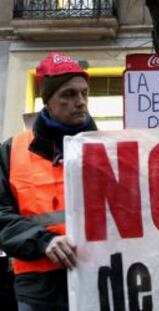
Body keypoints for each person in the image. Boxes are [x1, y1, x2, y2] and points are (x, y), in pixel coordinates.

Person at [0, 52, 97, 311]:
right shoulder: (12, 151)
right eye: (68, 94)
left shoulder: (109, 149)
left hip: (100, 279)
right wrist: (44, 241)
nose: (80, 102)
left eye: (84, 93)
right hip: (38, 290)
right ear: (48, 103)